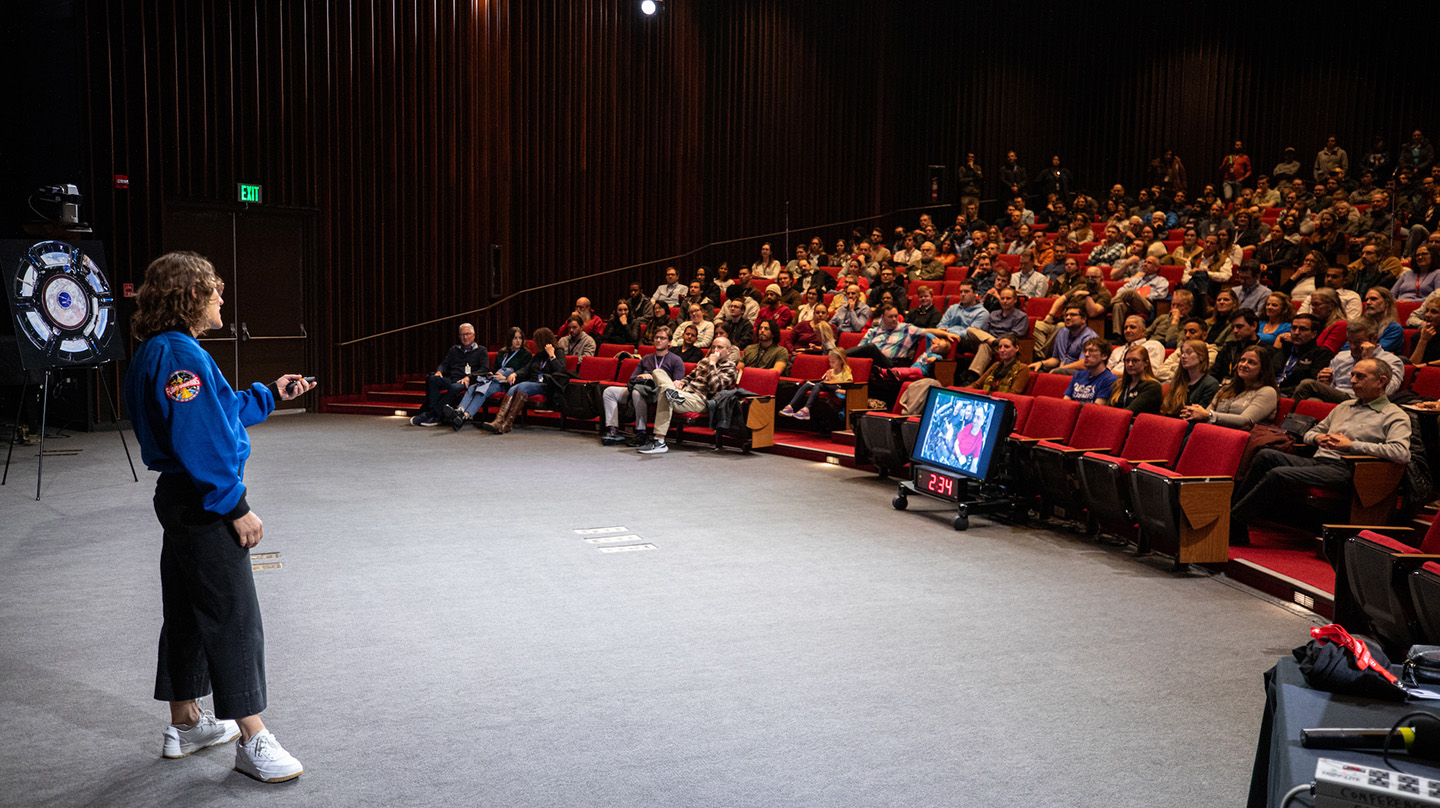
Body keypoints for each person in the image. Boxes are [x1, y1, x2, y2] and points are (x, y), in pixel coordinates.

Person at [124, 251, 310, 783]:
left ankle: (186, 722)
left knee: (186, 609)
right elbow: (200, 439)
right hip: (203, 501)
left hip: (182, 499)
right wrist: (236, 506)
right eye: (215, 291)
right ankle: (253, 737)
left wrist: (271, 393)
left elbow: (218, 412)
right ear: (191, 297)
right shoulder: (181, 357)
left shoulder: (162, 350)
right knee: (233, 615)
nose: (222, 299)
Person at [1231, 358, 1409, 545]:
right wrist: (1317, 438)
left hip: (1349, 470)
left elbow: (1401, 452)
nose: (1353, 381)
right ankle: (1236, 523)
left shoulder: (1394, 415)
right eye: (1352, 375)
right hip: (1319, 461)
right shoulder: (1345, 406)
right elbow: (1311, 432)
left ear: (1381, 381)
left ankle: (1233, 521)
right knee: (1265, 455)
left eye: (1360, 376)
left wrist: (1351, 445)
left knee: (1278, 475)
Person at [637, 337, 739, 455]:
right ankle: (671, 392)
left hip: (701, 400)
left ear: (728, 351)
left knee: (664, 393)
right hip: (684, 393)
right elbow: (689, 378)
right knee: (657, 372)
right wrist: (681, 383)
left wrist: (712, 364)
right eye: (713, 347)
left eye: (720, 347)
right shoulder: (703, 362)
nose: (715, 350)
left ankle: (660, 441)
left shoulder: (730, 368)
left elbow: (715, 387)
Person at [600, 326, 686, 446]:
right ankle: (613, 430)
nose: (658, 340)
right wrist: (642, 376)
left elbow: (677, 384)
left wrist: (656, 378)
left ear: (670, 342)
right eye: (656, 337)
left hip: (658, 393)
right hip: (641, 388)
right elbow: (632, 378)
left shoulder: (676, 360)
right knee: (609, 392)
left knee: (637, 392)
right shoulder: (647, 358)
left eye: (662, 338)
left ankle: (641, 432)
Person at [1293, 318, 1404, 403]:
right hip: (1338, 400)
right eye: (1350, 342)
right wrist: (1326, 383)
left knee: (1307, 384)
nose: (1352, 347)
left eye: (1358, 342)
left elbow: (1387, 392)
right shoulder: (1341, 357)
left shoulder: (1392, 361)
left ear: (1374, 339)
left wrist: (1367, 362)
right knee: (1312, 402)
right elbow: (1332, 389)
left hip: (1360, 401)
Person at [441, 326, 531, 430]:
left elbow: (524, 373)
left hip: (507, 383)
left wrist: (505, 378)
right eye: (515, 338)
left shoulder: (525, 354)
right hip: (495, 380)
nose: (518, 341)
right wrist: (492, 374)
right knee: (473, 387)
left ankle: (463, 416)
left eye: (520, 338)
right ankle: (460, 411)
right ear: (509, 339)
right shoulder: (502, 353)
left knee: (483, 389)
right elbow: (495, 369)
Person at [480, 328, 566, 434]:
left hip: (547, 385)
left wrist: (552, 355)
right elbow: (527, 369)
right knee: (514, 387)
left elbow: (560, 370)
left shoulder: (558, 352)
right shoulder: (538, 355)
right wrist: (515, 374)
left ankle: (507, 423)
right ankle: (499, 421)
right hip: (533, 383)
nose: (534, 344)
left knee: (522, 386)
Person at [410, 322, 489, 426]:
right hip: (452, 378)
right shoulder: (454, 349)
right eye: (461, 335)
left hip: (467, 381)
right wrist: (439, 371)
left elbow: (484, 369)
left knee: (455, 387)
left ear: (473, 335)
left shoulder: (481, 350)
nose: (464, 337)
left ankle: (432, 415)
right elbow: (444, 364)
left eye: (467, 334)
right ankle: (435, 414)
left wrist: (469, 377)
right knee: (433, 379)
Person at [1181, 347, 1277, 429]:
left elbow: (1246, 420)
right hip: (1213, 433)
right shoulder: (1226, 389)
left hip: (1241, 440)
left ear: (1262, 369)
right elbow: (1206, 412)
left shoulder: (1267, 392)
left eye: (1251, 362)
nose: (1244, 365)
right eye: (1242, 360)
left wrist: (1209, 415)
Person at [960, 288, 1029, 385]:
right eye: (1002, 298)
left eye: (1008, 298)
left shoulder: (1021, 316)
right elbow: (983, 331)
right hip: (989, 341)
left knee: (985, 346)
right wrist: (991, 340)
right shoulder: (993, 314)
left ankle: (972, 378)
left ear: (1015, 300)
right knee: (971, 330)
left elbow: (1015, 335)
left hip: (1004, 345)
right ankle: (993, 342)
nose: (1004, 301)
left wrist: (999, 342)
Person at [780, 347, 853, 420]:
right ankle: (790, 406)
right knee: (807, 384)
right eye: (830, 362)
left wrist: (830, 380)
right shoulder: (831, 371)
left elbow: (848, 390)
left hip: (838, 393)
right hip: (826, 387)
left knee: (818, 385)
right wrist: (827, 380)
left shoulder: (846, 373)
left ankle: (806, 409)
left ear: (841, 361)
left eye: (833, 362)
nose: (831, 364)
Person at [1275, 314, 1335, 395]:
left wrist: (1279, 390)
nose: (1296, 333)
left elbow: (1309, 385)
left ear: (1314, 334)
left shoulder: (1321, 354)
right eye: (1294, 328)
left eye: (1302, 329)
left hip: (1293, 394)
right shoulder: (1285, 350)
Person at [1029, 305, 1095, 375]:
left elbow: (1084, 363)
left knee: (1057, 372)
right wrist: (1041, 363)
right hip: (1062, 368)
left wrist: (1060, 369)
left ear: (1084, 319)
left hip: (1080, 373)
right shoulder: (1062, 332)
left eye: (1073, 315)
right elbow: (1056, 359)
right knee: (1033, 370)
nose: (1068, 318)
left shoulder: (1090, 337)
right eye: (1066, 315)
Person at [1160, 340, 1220, 417]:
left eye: (1188, 352)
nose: (1183, 356)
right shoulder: (1178, 380)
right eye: (1182, 353)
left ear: (1201, 357)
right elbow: (1168, 410)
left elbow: (1198, 415)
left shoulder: (1210, 384)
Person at [1111, 255, 1169, 335]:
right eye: (1145, 262)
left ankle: (1107, 306)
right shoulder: (1136, 280)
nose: (1145, 264)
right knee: (1118, 305)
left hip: (1147, 305)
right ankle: (1117, 335)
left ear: (1156, 268)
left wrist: (1144, 297)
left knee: (1131, 292)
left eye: (1149, 263)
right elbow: (1121, 290)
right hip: (1131, 304)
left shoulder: (1161, 280)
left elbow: (1161, 295)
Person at [1156, 318, 1218, 384]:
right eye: (1185, 332)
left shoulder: (1211, 351)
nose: (1187, 335)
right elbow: (1159, 372)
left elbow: (1196, 374)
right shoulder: (1180, 350)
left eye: (1192, 332)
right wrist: (1181, 373)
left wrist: (1172, 368)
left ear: (1204, 335)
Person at [1106, 344, 1163, 414]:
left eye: (1135, 361)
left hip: (1138, 423)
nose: (1130, 364)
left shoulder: (1152, 387)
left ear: (1146, 363)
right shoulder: (1118, 384)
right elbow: (1107, 409)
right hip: (1117, 421)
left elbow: (1130, 412)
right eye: (1127, 361)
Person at [1211, 310, 1262, 382]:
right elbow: (1214, 373)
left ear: (1254, 325)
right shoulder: (1228, 348)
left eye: (1239, 327)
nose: (1235, 331)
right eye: (1233, 327)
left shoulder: (1264, 350)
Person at [1062, 338, 1117, 404]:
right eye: (1085, 351)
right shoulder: (1078, 375)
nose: (1086, 355)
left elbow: (1096, 408)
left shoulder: (1109, 379)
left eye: (1092, 351)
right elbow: (1065, 402)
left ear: (1104, 356)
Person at [1360, 286, 1405, 354]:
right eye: (1366, 300)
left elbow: (1378, 351)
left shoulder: (1394, 328)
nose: (1368, 302)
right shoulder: (1361, 325)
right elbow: (1347, 347)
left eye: (1373, 299)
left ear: (1387, 303)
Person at [1410, 297, 1440, 367]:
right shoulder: (1418, 336)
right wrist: (1423, 340)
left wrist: (1426, 365)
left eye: (1434, 312)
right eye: (1427, 311)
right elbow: (1413, 365)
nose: (1427, 315)